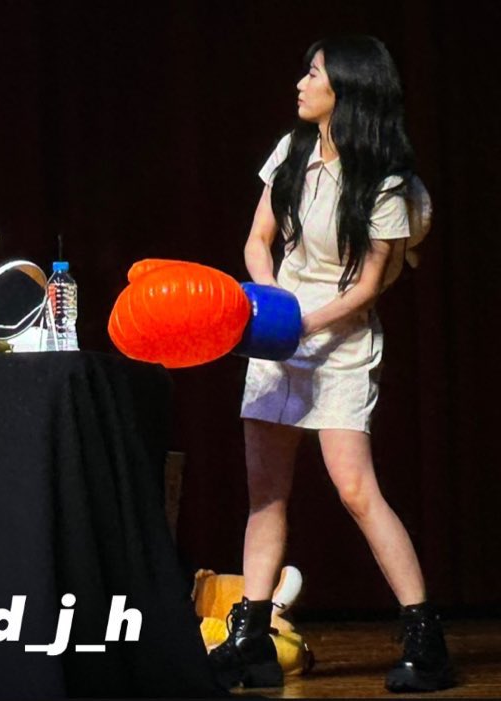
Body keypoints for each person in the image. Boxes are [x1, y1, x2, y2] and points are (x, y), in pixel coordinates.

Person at [208, 36, 453, 693]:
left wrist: (302, 323)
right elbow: (258, 240)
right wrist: (270, 304)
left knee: (355, 489)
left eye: (313, 73)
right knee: (266, 494)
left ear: (347, 88)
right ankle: (251, 638)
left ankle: (425, 639)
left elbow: (368, 287)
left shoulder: (387, 183)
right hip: (276, 335)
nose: (301, 83)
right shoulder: (292, 151)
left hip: (339, 342)